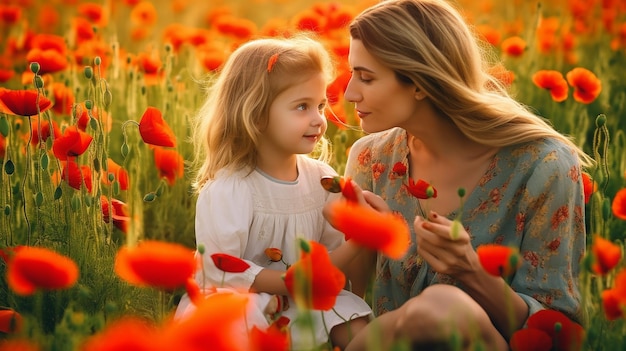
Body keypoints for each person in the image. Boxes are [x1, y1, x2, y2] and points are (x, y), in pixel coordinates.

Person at [330, 0, 593, 350]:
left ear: (420, 83)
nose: (349, 93)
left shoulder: (544, 166)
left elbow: (558, 334)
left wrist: (470, 271)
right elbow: (348, 309)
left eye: (366, 77)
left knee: (444, 308)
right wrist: (360, 240)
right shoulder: (370, 159)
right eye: (352, 74)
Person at [174, 34, 371, 350]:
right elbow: (220, 271)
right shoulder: (231, 188)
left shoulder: (322, 180)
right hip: (244, 301)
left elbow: (330, 259)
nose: (319, 120)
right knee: (240, 317)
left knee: (348, 313)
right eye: (302, 106)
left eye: (320, 105)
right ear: (255, 113)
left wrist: (363, 235)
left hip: (300, 300)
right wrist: (287, 284)